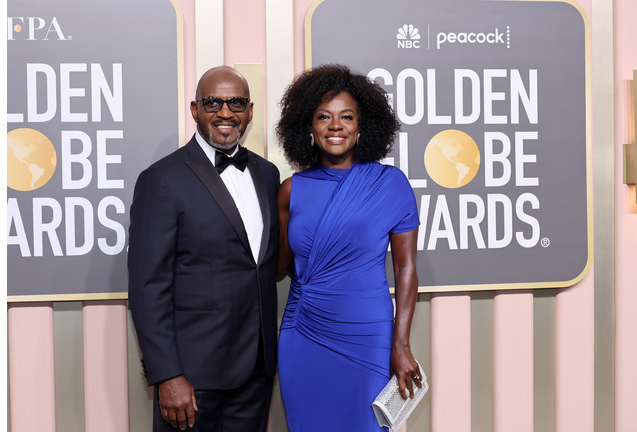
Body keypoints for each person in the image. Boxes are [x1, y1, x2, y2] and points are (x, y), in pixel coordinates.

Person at [128, 65, 280, 432]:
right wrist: (168, 375)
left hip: (256, 370)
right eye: (213, 102)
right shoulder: (161, 179)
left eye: (236, 103)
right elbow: (148, 287)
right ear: (195, 110)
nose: (225, 113)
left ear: (250, 111)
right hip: (192, 376)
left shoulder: (268, 174)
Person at [275, 64, 422, 431]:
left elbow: (406, 269)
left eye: (346, 117)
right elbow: (278, 268)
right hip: (302, 331)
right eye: (323, 117)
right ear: (308, 126)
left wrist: (400, 343)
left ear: (362, 126)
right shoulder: (291, 190)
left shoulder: (391, 184)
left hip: (368, 333)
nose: (335, 126)